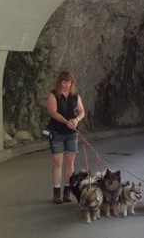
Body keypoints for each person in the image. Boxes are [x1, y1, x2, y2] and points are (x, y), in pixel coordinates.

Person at [46, 71, 85, 204]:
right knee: (58, 162)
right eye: (64, 82)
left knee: (70, 163)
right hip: (57, 132)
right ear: (59, 83)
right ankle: (57, 192)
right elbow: (53, 112)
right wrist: (66, 121)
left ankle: (68, 191)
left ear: (72, 83)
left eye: (69, 82)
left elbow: (81, 111)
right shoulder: (53, 95)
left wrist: (76, 120)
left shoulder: (75, 95)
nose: (66, 85)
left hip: (72, 134)